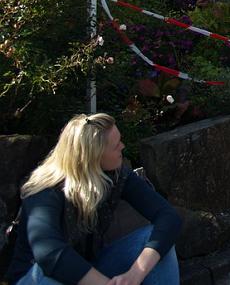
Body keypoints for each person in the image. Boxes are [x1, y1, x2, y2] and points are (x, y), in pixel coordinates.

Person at [5, 113, 181, 285]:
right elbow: (49, 252)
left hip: (91, 268)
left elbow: (168, 217)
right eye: (116, 145)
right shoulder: (45, 190)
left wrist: (135, 274)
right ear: (94, 157)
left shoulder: (116, 175)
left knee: (156, 240)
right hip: (38, 276)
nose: (123, 146)